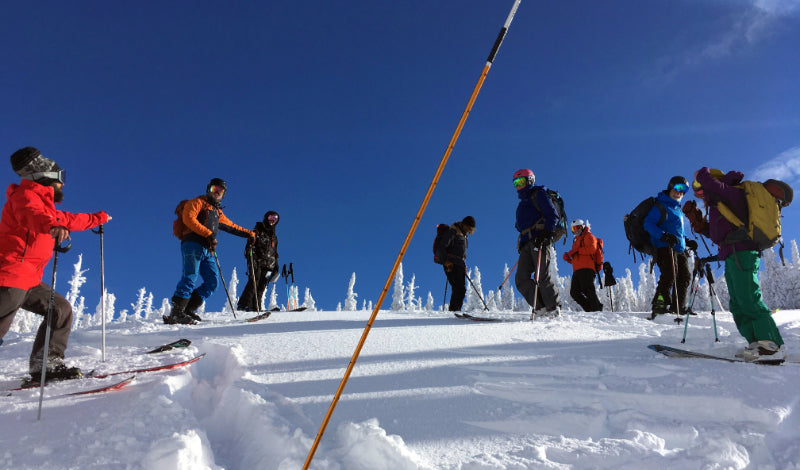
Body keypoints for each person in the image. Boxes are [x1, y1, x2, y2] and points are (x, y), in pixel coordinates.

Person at [0, 147, 110, 379]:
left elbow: (68, 219)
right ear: (45, 178)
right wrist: (52, 226)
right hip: (9, 273)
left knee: (60, 310)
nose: (63, 184)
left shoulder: (46, 208)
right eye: (60, 177)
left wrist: (98, 218)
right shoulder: (25, 198)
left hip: (29, 279)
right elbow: (33, 215)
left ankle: (46, 364)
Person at [689, 167, 788, 362]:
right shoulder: (721, 203)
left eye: (701, 190)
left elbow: (709, 182)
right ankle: (756, 342)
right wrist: (702, 228)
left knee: (749, 298)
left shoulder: (732, 192)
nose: (701, 195)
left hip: (743, 253)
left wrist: (701, 174)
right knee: (738, 303)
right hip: (732, 255)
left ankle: (771, 344)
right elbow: (723, 233)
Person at [165, 178, 254, 324]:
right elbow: (188, 218)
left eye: (220, 191)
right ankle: (176, 312)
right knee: (190, 276)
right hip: (192, 244)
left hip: (207, 249)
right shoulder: (197, 202)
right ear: (209, 189)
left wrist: (249, 234)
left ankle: (188, 309)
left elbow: (232, 226)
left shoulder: (217, 212)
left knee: (212, 282)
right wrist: (208, 234)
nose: (217, 192)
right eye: (214, 189)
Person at [513, 169, 561, 319]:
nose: (518, 186)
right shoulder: (521, 204)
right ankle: (540, 307)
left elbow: (552, 214)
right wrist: (522, 243)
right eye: (516, 183)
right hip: (526, 244)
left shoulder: (538, 194)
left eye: (521, 182)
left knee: (542, 275)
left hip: (540, 239)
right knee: (521, 279)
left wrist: (547, 233)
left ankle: (553, 308)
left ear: (530, 180)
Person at [645, 176, 691, 319]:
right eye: (677, 188)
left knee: (684, 276)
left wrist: (687, 241)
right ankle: (659, 305)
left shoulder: (677, 208)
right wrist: (663, 236)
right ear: (670, 187)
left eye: (683, 190)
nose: (679, 192)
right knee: (670, 273)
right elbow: (648, 224)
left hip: (679, 247)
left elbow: (677, 230)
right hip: (664, 246)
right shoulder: (661, 205)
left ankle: (679, 307)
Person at [237, 211, 280, 312]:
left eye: (275, 218)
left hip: (269, 264)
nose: (272, 220)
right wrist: (251, 258)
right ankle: (244, 305)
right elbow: (249, 246)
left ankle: (256, 307)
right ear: (266, 218)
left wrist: (276, 265)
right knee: (254, 282)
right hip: (257, 261)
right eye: (270, 217)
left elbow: (275, 252)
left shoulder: (274, 237)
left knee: (262, 286)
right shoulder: (258, 231)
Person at [434, 216, 476, 312]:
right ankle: (454, 311)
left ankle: (456, 310)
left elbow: (461, 253)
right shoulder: (452, 232)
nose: (470, 231)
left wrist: (463, 265)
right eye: (469, 228)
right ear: (464, 225)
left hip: (459, 265)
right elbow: (441, 248)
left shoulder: (463, 235)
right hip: (451, 265)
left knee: (461, 290)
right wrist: (446, 262)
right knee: (458, 288)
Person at [562, 219, 603, 312]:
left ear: (583, 227)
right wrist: (569, 259)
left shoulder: (589, 236)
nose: (575, 230)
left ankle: (596, 309)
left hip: (587, 268)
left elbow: (592, 249)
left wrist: (576, 251)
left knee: (587, 289)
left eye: (578, 227)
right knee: (574, 292)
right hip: (577, 270)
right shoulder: (576, 241)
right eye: (573, 228)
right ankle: (591, 310)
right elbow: (578, 259)